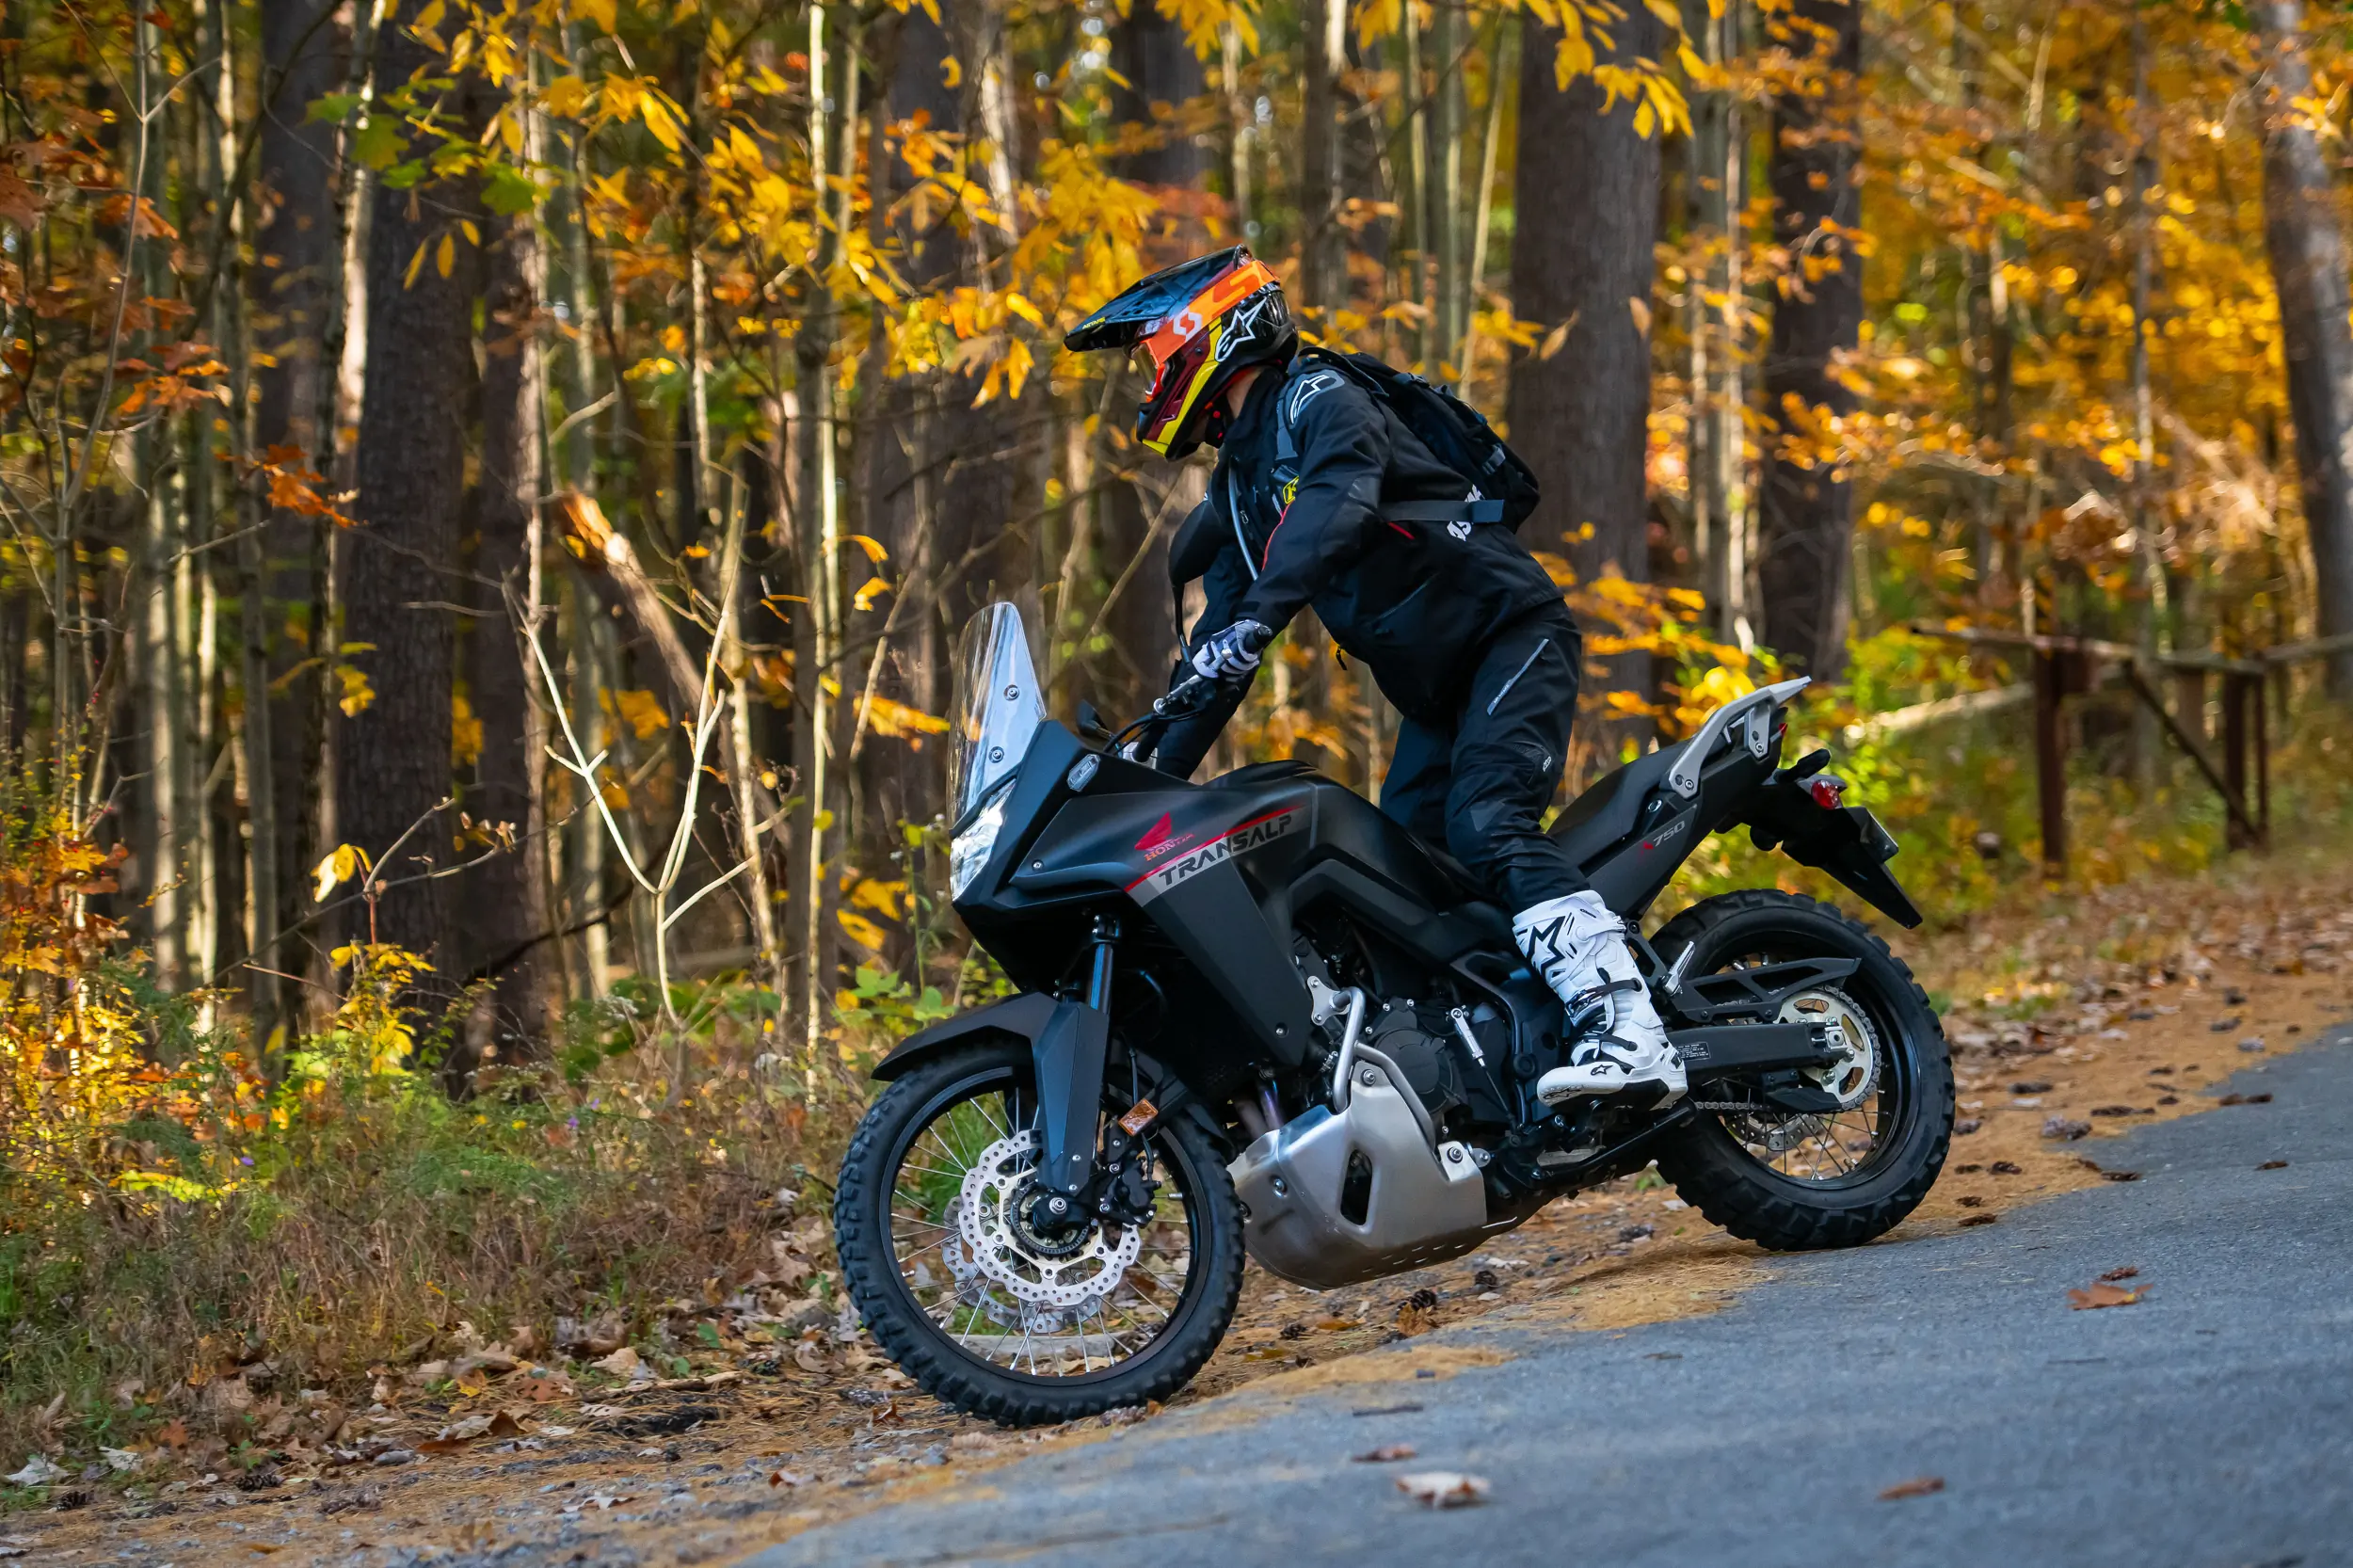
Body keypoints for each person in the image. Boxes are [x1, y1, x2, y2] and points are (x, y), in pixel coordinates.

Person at [1064, 248, 1683, 1102]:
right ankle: (1503, 1056)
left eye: (1150, 357)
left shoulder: (1323, 399)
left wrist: (1256, 618)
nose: (1147, 379)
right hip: (1435, 692)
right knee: (1402, 875)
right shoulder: (1243, 488)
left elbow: (1335, 509)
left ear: (1206, 336)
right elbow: (1218, 655)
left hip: (1510, 635)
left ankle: (1631, 1027)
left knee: (1487, 824)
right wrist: (1141, 779)